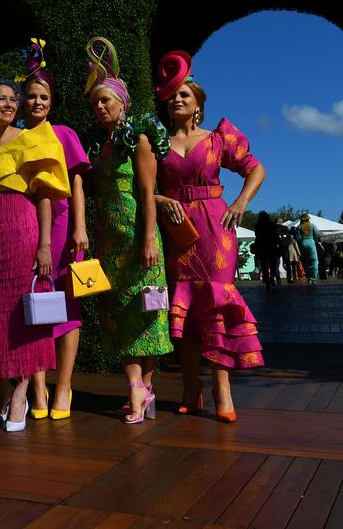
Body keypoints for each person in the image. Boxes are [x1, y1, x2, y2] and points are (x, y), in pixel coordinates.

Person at [154, 50, 265, 423]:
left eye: (185, 95)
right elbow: (143, 187)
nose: (178, 100)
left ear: (198, 103)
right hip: (178, 231)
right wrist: (160, 198)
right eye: (173, 97)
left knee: (215, 305)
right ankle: (190, 387)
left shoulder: (218, 139)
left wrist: (241, 203)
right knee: (183, 310)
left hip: (217, 228)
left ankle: (222, 387)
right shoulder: (158, 145)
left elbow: (256, 168)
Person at [0, 77, 70, 432]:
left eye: (14, 99)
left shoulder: (31, 139)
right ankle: (1, 393)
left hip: (21, 230)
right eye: (2, 99)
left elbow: (45, 194)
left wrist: (45, 244)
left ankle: (21, 393)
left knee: (23, 314)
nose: (11, 104)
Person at [82, 37, 173, 424]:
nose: (100, 107)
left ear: (123, 102)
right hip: (109, 243)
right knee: (118, 314)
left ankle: (140, 389)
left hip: (139, 240)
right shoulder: (99, 148)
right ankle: (138, 389)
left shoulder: (138, 140)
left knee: (149, 313)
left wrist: (150, 239)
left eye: (106, 100)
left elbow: (148, 193)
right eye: (95, 102)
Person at [20, 39, 91, 421]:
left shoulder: (64, 134)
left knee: (66, 306)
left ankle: (63, 386)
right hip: (24, 223)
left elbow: (78, 183)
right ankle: (37, 389)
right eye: (31, 96)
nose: (37, 102)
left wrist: (80, 226)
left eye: (43, 96)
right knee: (33, 304)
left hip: (63, 225)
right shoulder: (16, 137)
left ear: (52, 100)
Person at [253, 212, 280, 289]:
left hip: (262, 247)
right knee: (273, 264)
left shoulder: (257, 226)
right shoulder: (272, 225)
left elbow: (257, 236)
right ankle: (272, 278)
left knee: (264, 265)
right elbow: (276, 235)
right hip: (271, 246)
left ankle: (267, 281)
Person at [293, 214, 321, 284]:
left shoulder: (299, 227)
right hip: (311, 243)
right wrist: (314, 239)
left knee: (305, 262)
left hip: (302, 244)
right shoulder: (312, 225)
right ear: (308, 219)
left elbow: (298, 238)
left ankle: (308, 277)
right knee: (314, 261)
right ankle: (313, 278)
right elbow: (317, 234)